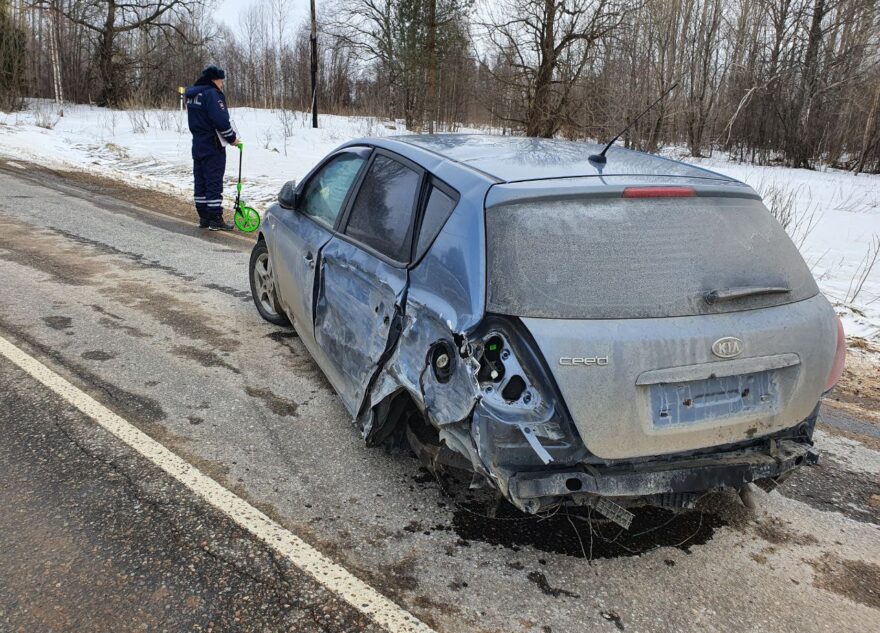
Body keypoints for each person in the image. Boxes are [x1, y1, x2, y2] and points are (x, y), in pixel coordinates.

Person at [185, 65, 242, 230]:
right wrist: (232, 138)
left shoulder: (193, 94)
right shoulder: (212, 94)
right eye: (221, 80)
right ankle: (215, 219)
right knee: (213, 182)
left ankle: (204, 217)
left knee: (200, 181)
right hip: (213, 144)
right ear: (214, 80)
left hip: (198, 143)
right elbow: (220, 120)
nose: (222, 84)